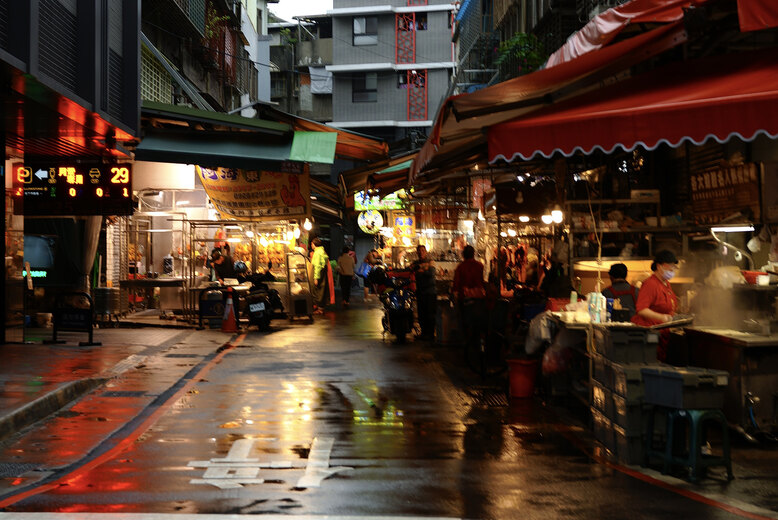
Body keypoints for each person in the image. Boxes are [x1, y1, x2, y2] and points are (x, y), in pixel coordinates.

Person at [631, 250, 679, 362]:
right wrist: (662, 317)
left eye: (674, 267)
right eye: (670, 266)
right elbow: (641, 309)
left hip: (662, 334)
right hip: (650, 336)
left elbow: (667, 306)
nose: (672, 270)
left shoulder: (666, 284)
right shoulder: (650, 284)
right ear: (659, 266)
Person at [453, 245, 487, 351]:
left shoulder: (460, 267)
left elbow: (456, 284)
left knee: (466, 322)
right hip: (479, 298)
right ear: (473, 254)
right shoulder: (480, 265)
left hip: (465, 299)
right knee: (478, 322)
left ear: (463, 255)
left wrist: (455, 296)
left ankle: (468, 345)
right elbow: (482, 281)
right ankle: (477, 344)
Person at [411, 244, 436, 341]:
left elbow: (431, 273)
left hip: (430, 291)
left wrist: (420, 270)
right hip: (420, 291)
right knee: (422, 313)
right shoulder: (415, 263)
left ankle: (430, 334)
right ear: (417, 253)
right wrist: (424, 268)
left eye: (422, 250)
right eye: (419, 251)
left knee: (430, 314)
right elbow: (412, 271)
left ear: (425, 252)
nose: (421, 252)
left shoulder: (431, 261)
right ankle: (424, 333)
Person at [311, 238, 330, 314]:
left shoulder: (317, 252)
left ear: (315, 244)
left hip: (319, 273)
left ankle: (319, 309)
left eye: (312, 244)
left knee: (318, 290)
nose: (311, 245)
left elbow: (317, 266)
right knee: (322, 289)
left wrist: (316, 277)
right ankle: (320, 307)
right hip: (322, 273)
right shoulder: (322, 251)